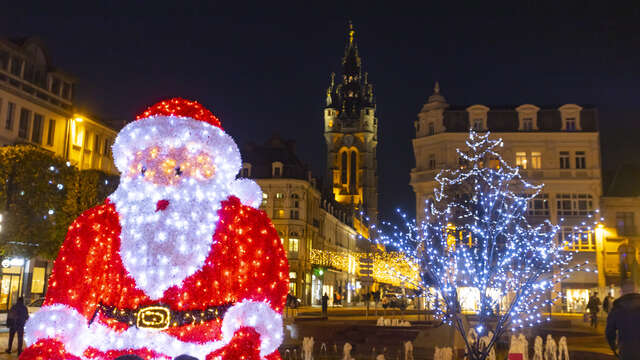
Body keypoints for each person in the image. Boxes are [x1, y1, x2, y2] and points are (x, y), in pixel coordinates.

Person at [606, 281, 640, 359]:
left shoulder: (616, 308)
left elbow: (609, 332)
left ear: (621, 292)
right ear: (637, 290)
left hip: (626, 349)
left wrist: (613, 347)